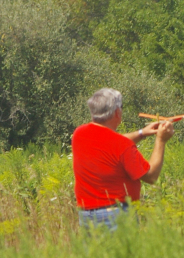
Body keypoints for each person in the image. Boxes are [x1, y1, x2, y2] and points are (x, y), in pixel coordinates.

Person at [71, 88, 175, 229]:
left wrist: (142, 133)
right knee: (123, 252)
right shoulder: (122, 145)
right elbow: (151, 177)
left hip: (86, 215)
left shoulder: (79, 134)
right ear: (117, 113)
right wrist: (161, 140)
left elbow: (110, 141)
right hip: (115, 214)